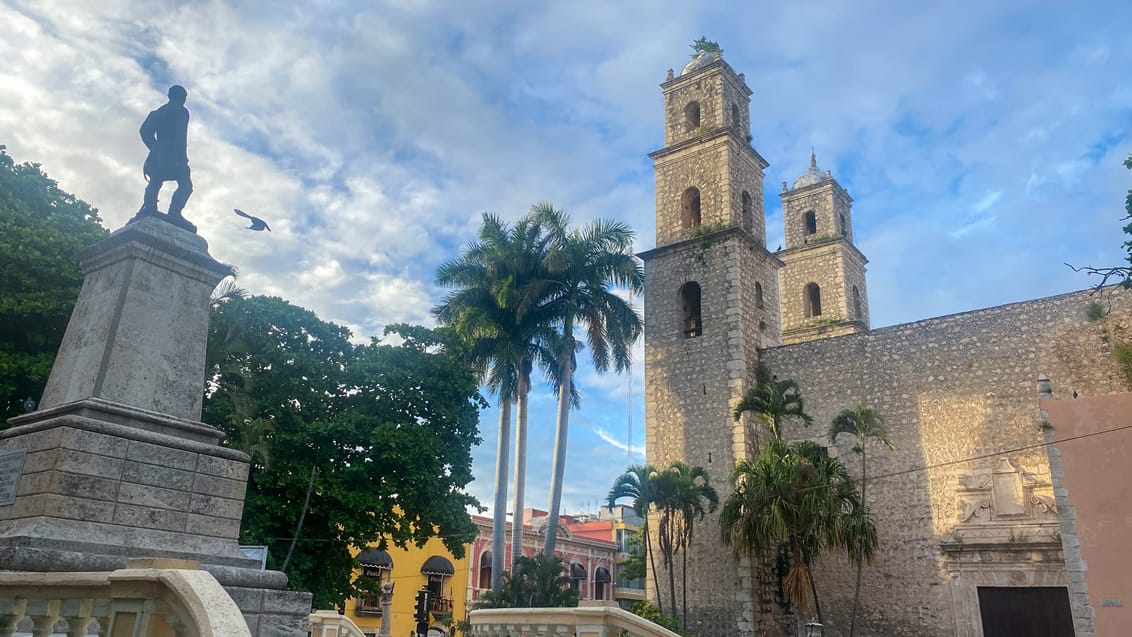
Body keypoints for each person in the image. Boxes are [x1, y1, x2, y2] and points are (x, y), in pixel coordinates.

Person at [138, 85, 193, 224]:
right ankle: (174, 213)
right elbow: (181, 135)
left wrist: (155, 147)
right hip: (175, 153)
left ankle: (149, 207)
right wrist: (181, 157)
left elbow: (144, 131)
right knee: (185, 184)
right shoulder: (181, 111)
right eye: (183, 97)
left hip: (158, 154)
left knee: (156, 181)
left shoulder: (156, 113)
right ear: (181, 98)